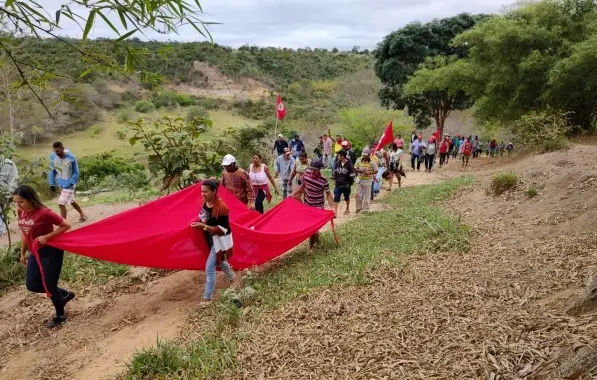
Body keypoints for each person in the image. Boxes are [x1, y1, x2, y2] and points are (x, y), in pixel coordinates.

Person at [15, 184, 74, 328]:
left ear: (30, 199)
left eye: (21, 201)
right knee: (32, 284)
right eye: (16, 202)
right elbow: (25, 232)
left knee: (49, 284)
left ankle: (60, 315)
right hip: (35, 252)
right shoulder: (21, 212)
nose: (18, 205)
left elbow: (66, 225)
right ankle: (64, 295)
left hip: (50, 252)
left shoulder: (44, 213)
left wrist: (47, 236)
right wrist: (23, 252)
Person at [191, 180, 235, 306]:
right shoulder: (205, 202)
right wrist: (200, 223)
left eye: (205, 191)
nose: (203, 194)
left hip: (219, 241)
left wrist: (204, 227)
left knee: (209, 267)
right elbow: (203, 217)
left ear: (214, 191)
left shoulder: (222, 208)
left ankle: (207, 298)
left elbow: (223, 230)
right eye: (201, 192)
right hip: (210, 238)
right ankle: (233, 278)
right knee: (220, 261)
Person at [291, 159, 334, 250]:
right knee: (311, 227)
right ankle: (315, 238)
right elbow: (303, 186)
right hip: (308, 204)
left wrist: (332, 207)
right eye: (311, 169)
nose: (312, 171)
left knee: (312, 228)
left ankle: (311, 246)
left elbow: (328, 194)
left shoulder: (323, 180)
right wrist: (293, 194)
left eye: (315, 170)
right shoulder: (306, 174)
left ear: (319, 169)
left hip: (318, 206)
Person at [49, 142, 87, 222]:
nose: (57, 153)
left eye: (58, 151)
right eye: (55, 151)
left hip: (70, 184)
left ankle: (63, 223)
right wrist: (51, 183)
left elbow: (76, 172)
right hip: (60, 183)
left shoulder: (71, 157)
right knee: (71, 200)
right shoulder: (52, 157)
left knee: (61, 202)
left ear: (62, 148)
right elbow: (52, 170)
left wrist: (71, 183)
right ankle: (83, 214)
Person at [0, 156, 19, 236]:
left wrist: (10, 194)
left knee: (2, 212)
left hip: (4, 195)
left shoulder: (8, 164)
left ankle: (1, 231)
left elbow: (14, 179)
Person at [354, 147, 377, 213]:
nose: (364, 156)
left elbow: (376, 170)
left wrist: (369, 173)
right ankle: (358, 207)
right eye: (363, 155)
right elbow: (355, 168)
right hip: (360, 179)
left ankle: (365, 209)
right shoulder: (358, 160)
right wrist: (361, 170)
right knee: (357, 194)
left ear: (369, 155)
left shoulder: (372, 162)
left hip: (368, 180)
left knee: (367, 195)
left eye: (365, 155)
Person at [332, 150, 355, 215]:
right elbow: (334, 172)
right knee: (336, 197)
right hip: (338, 184)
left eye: (338, 155)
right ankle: (335, 212)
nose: (337, 156)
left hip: (346, 185)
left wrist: (349, 184)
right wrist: (334, 179)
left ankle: (347, 208)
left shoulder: (349, 165)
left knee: (346, 197)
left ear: (342, 156)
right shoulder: (337, 163)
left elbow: (352, 176)